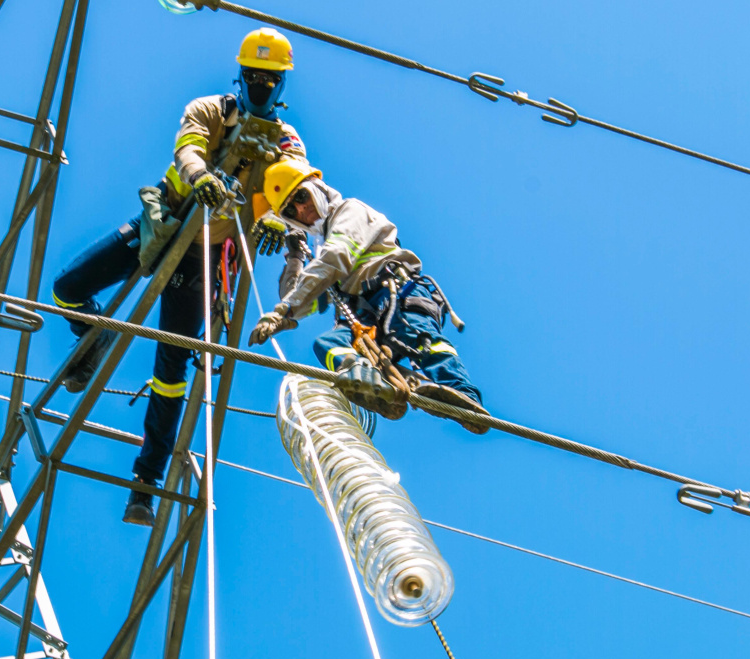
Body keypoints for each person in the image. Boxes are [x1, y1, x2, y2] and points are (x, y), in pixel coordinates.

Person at [51, 28, 307, 525]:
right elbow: (187, 148)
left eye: (268, 79)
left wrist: (279, 213)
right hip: (164, 228)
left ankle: (144, 482)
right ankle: (93, 336)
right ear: (241, 75)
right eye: (252, 76)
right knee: (67, 289)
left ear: (280, 85)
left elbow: (296, 182)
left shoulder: (285, 140)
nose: (258, 85)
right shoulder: (212, 109)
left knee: (170, 376)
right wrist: (201, 177)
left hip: (205, 259)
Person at [247, 159, 490, 434]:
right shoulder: (320, 246)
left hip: (395, 294)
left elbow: (334, 259)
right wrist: (294, 255)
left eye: (302, 197)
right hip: (361, 316)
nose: (302, 209)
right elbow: (309, 297)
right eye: (291, 210)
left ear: (316, 188)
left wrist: (284, 310)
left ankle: (463, 395)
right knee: (328, 344)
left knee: (419, 340)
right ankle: (380, 384)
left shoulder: (350, 212)